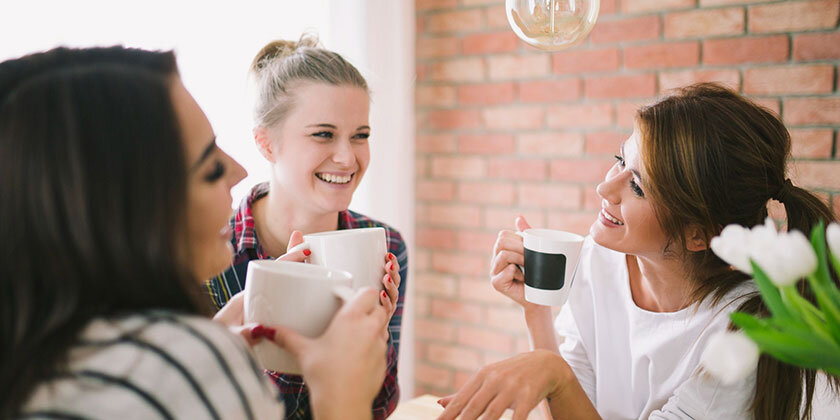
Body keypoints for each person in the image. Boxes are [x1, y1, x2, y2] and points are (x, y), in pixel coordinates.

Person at [0, 46, 390, 420]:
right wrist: (341, 397)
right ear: (128, 206)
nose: (238, 172)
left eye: (361, 134)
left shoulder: (38, 359)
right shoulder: (181, 362)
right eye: (210, 167)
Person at [438, 83, 840, 420]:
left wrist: (553, 373)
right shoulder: (598, 263)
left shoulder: (742, 334)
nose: (605, 188)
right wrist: (536, 310)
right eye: (620, 160)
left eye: (637, 186)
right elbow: (571, 408)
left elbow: (563, 385)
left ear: (698, 234)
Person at [205, 35, 408, 420]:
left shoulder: (389, 246)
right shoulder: (207, 252)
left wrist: (372, 349)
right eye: (323, 134)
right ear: (266, 143)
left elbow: (379, 408)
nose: (347, 158)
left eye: (360, 135)